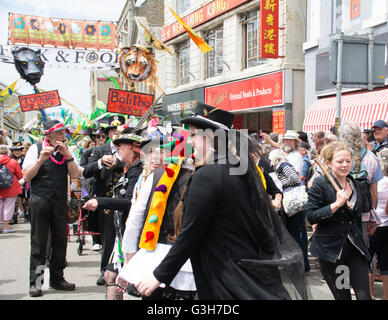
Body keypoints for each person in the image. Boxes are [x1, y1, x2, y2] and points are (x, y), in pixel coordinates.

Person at [134, 104, 308, 300]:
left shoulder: (208, 174)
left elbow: (190, 233)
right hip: (247, 266)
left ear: (208, 138)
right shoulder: (238, 167)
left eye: (193, 135)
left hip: (224, 273)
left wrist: (159, 276)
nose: (188, 141)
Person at [117, 135, 197, 300]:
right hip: (190, 266)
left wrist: (130, 260)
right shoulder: (206, 177)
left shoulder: (156, 175)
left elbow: (135, 220)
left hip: (155, 261)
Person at [23, 120, 83, 297]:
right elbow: (27, 176)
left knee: (60, 241)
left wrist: (69, 156)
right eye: (58, 133)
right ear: (48, 135)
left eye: (64, 133)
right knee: (39, 242)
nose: (63, 136)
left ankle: (57, 279)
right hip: (39, 200)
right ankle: (36, 282)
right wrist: (41, 159)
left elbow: (74, 175)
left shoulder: (66, 150)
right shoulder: (35, 148)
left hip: (59, 201)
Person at [306, 142, 371, 300]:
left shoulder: (354, 184)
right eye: (340, 161)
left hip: (355, 249)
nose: (345, 165)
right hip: (332, 251)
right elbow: (310, 217)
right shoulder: (320, 185)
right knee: (343, 297)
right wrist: (335, 205)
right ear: (328, 163)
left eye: (348, 161)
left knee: (364, 296)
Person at [83, 133, 144, 300]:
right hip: (122, 233)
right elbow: (86, 172)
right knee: (110, 275)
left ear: (133, 148)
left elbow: (130, 203)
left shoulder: (137, 171)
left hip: (133, 235)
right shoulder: (129, 168)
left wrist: (100, 201)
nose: (118, 149)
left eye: (122, 146)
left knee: (137, 285)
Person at [82, 115, 127, 286]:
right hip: (106, 199)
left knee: (127, 234)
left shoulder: (130, 147)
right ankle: (106, 270)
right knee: (108, 236)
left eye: (119, 130)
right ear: (108, 133)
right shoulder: (100, 150)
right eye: (113, 131)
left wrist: (118, 164)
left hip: (125, 199)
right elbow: (87, 171)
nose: (116, 133)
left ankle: (126, 271)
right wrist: (101, 162)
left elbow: (137, 167)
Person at [339, 121, 383, 248]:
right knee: (361, 251)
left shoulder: (337, 157)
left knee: (342, 254)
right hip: (363, 215)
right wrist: (371, 217)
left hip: (339, 214)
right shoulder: (371, 157)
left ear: (342, 137)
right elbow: (374, 194)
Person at [368, 148, 388, 300]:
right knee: (386, 264)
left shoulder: (374, 181)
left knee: (367, 261)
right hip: (386, 226)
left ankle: (371, 294)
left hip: (372, 224)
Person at [0, 144, 23, 233]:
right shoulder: (12, 161)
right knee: (8, 207)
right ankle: (6, 227)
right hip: (11, 187)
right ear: (8, 152)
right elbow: (20, 175)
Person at [9, 142, 25, 225]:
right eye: (15, 151)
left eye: (18, 150)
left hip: (24, 180)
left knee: (24, 198)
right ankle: (14, 216)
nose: (17, 152)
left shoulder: (24, 158)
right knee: (15, 198)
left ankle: (25, 212)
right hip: (13, 181)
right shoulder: (10, 159)